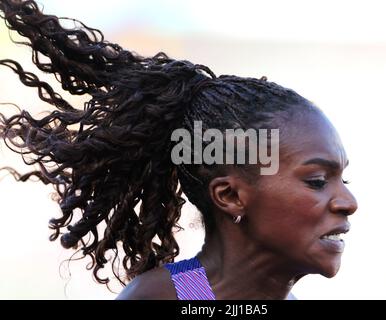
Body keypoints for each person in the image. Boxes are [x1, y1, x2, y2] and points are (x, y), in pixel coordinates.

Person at [0, 0, 358, 300]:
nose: (349, 202)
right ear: (231, 195)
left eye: (343, 178)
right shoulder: (181, 294)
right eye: (316, 180)